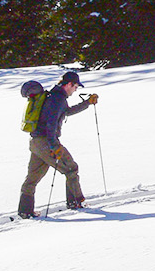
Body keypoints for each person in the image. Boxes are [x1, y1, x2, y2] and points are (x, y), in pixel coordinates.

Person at [19, 68, 98, 217]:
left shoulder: (54, 96)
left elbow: (66, 112)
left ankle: (25, 210)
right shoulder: (57, 99)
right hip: (45, 141)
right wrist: (54, 145)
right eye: (75, 87)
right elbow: (51, 123)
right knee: (71, 169)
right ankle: (76, 202)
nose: (75, 90)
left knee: (33, 177)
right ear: (69, 84)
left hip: (36, 142)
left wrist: (87, 103)